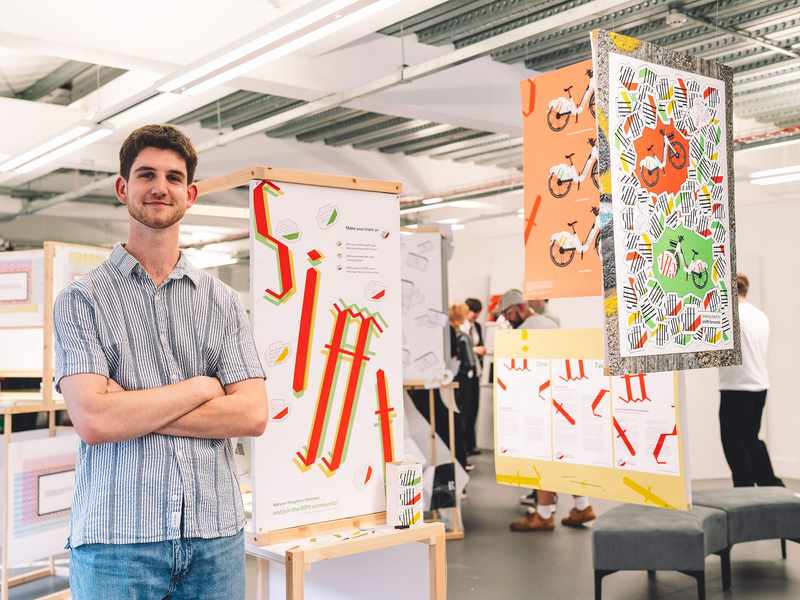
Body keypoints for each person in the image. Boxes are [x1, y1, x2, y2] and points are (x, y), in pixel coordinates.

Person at [54, 125, 268, 599]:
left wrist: (129, 408)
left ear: (190, 194)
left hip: (215, 537)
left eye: (173, 177)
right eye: (146, 174)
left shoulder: (222, 302)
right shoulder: (82, 300)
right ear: (122, 187)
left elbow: (251, 415)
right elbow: (93, 420)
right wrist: (202, 387)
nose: (159, 187)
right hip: (115, 543)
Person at [498, 289, 596, 532]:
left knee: (542, 457)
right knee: (564, 455)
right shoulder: (551, 324)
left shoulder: (523, 332)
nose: (508, 319)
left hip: (540, 401)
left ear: (520, 308)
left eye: (509, 314)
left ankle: (543, 515)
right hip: (564, 398)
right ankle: (583, 506)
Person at [718, 274, 783, 487]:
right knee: (749, 438)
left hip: (737, 387)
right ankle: (769, 485)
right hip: (758, 385)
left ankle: (749, 486)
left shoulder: (731, 315)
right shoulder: (760, 316)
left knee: (733, 442)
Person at [450, 303, 478, 472]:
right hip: (463, 381)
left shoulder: (453, 334)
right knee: (462, 418)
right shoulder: (461, 336)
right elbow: (469, 362)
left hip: (453, 380)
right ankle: (462, 460)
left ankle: (461, 459)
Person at [463, 298, 485, 456]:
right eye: (473, 312)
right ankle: (464, 447)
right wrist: (474, 350)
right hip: (464, 374)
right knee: (464, 409)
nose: (474, 316)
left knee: (473, 410)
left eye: (477, 314)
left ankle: (472, 444)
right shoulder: (459, 326)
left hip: (476, 371)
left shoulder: (477, 327)